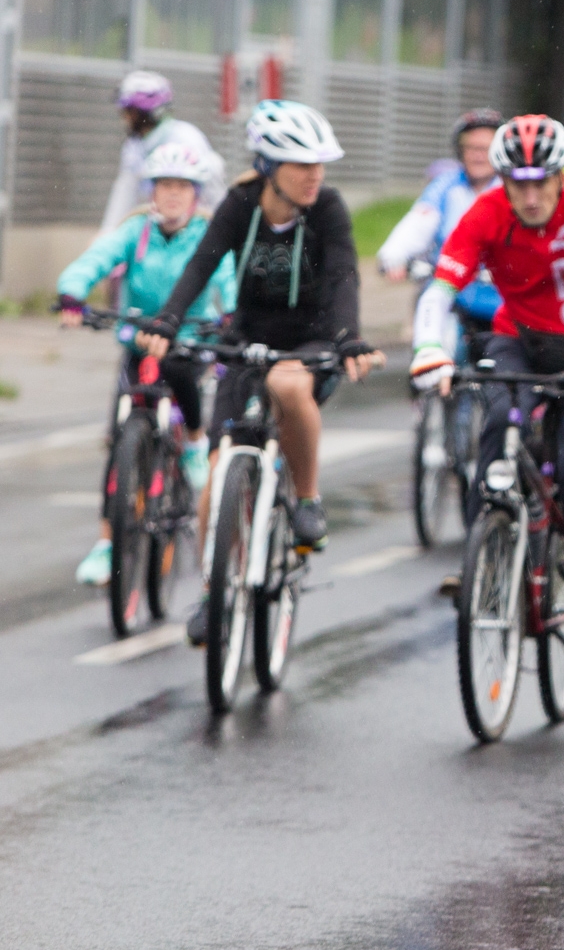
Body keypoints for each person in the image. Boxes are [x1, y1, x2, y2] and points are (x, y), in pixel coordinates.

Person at [137, 101, 382, 644]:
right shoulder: (241, 204)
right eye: (303, 165)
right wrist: (169, 319)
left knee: (286, 384)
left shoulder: (328, 208)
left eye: (320, 164)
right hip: (247, 340)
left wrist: (348, 337)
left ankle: (308, 502)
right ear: (269, 166)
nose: (315, 175)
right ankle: (213, 592)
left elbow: (343, 275)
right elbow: (202, 263)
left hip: (313, 340)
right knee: (217, 475)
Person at [411, 114, 564, 679]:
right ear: (503, 181)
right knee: (496, 429)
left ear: (562, 176)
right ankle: (484, 559)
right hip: (522, 341)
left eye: (542, 182)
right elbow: (439, 290)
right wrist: (428, 348)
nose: (532, 197)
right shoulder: (487, 211)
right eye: (519, 184)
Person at [61, 143, 237, 587]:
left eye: (182, 186)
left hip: (188, 341)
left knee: (180, 373)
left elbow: (228, 278)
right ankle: (107, 544)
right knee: (119, 437)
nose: (173, 194)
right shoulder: (135, 231)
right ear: (151, 191)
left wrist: (233, 316)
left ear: (196, 193)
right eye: (164, 185)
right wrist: (72, 293)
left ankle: (193, 441)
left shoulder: (207, 234)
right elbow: (95, 260)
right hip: (138, 341)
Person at [377, 109, 504, 281]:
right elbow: (418, 222)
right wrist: (393, 255)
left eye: (485, 148)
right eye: (471, 147)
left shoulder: (512, 188)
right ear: (460, 151)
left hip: (501, 290)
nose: (478, 155)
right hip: (447, 284)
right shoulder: (445, 184)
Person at [102, 71, 225, 234]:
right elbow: (125, 192)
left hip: (192, 230)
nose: (125, 118)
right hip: (153, 228)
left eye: (130, 112)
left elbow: (213, 195)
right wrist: (108, 233)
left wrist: (219, 234)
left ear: (148, 113)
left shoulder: (187, 139)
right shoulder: (134, 145)